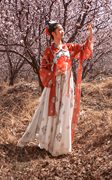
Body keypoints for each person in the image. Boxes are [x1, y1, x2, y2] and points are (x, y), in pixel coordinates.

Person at [17, 21, 93, 156]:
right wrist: (54, 72)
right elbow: (42, 69)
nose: (62, 32)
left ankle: (61, 146)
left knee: (64, 112)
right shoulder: (49, 50)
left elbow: (83, 50)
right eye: (59, 30)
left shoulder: (68, 47)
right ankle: (47, 142)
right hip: (54, 85)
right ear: (53, 33)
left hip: (66, 86)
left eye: (63, 30)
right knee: (47, 111)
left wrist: (90, 36)